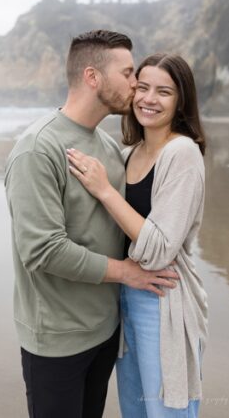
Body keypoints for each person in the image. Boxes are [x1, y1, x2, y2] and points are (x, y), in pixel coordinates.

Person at [5, 30, 179, 418]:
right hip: (56, 341)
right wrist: (126, 274)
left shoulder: (107, 148)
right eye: (129, 73)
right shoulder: (37, 149)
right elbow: (43, 249)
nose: (136, 84)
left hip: (104, 333)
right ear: (92, 77)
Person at [65, 53, 208, 417]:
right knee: (135, 409)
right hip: (125, 296)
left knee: (166, 410)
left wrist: (105, 190)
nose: (149, 99)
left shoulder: (183, 153)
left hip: (163, 297)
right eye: (142, 87)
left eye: (164, 92)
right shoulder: (128, 153)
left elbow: (160, 248)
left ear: (180, 101)